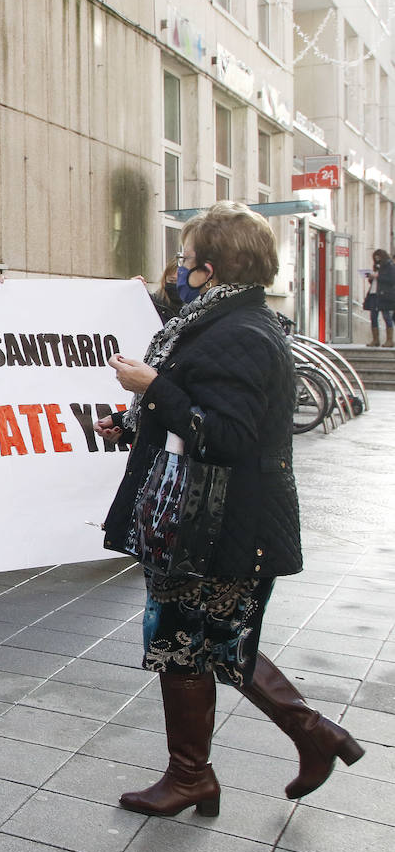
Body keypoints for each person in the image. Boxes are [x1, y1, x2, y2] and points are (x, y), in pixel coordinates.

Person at [95, 202, 363, 818]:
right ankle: (295, 742)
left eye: (187, 262)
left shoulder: (238, 332)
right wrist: (131, 420)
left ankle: (200, 773)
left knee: (189, 643)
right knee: (213, 643)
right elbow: (194, 416)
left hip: (217, 525)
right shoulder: (228, 323)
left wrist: (151, 387)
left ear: (210, 270)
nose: (180, 272)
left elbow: (227, 435)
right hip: (207, 520)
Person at [363, 249, 395, 346]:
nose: (377, 259)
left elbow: (391, 280)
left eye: (378, 257)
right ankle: (375, 340)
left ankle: (389, 340)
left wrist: (377, 276)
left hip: (383, 295)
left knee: (386, 316)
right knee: (373, 317)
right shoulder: (377, 267)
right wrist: (371, 277)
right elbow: (375, 281)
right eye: (375, 257)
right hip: (373, 294)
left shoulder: (389, 266)